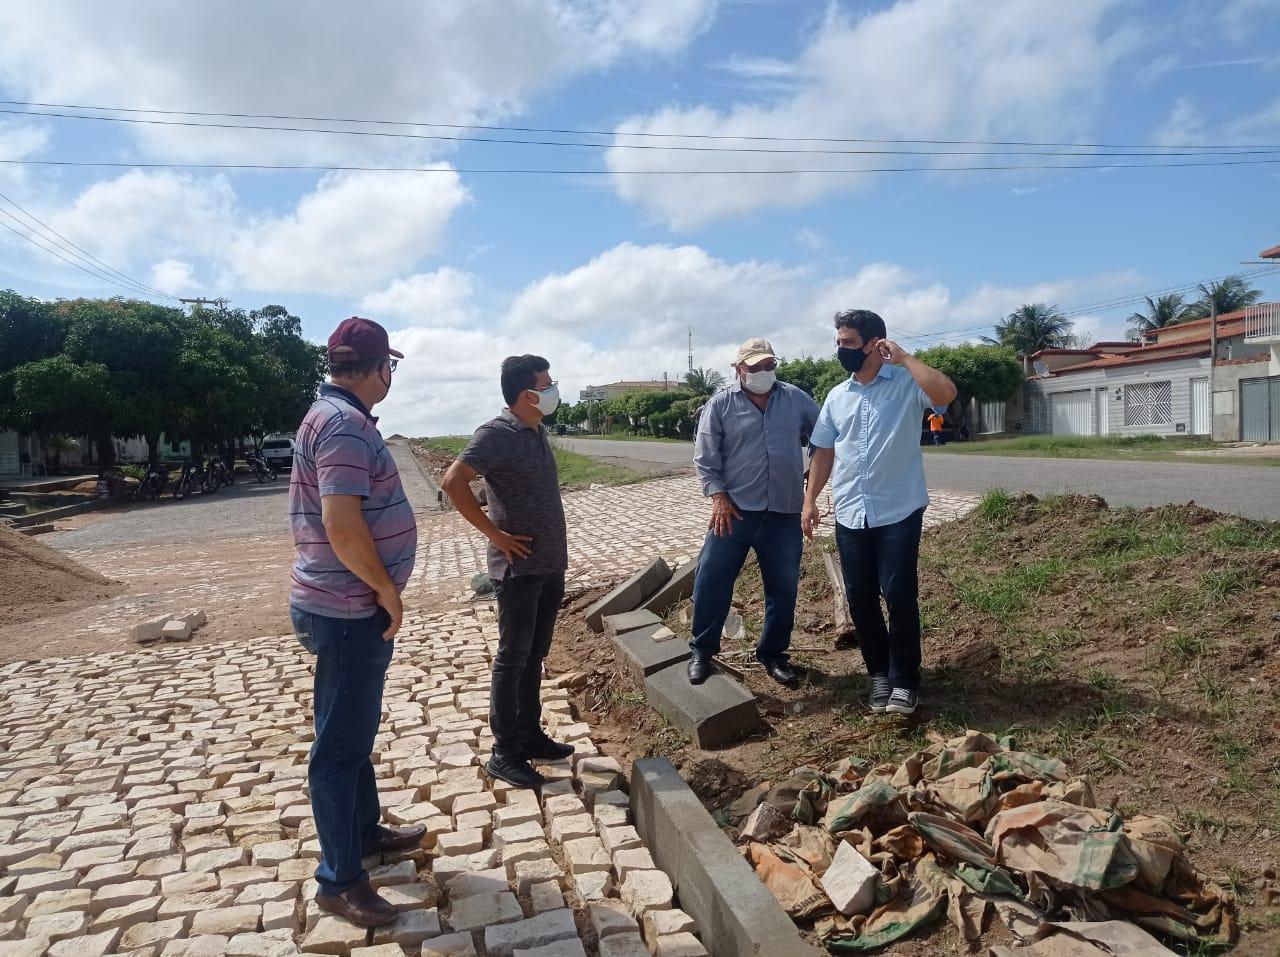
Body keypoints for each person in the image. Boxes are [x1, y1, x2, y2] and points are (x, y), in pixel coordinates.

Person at [288, 317, 421, 928]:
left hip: (346, 602)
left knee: (353, 733)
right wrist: (387, 591)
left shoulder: (335, 415)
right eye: (388, 365)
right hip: (348, 609)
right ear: (378, 369)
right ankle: (339, 882)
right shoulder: (342, 426)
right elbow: (343, 526)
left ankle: (363, 834)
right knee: (338, 750)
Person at [802, 310, 957, 716]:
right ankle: (880, 675)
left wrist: (905, 358)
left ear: (874, 344)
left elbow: (946, 394)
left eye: (848, 342)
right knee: (861, 598)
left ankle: (906, 679)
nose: (841, 350)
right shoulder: (838, 396)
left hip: (899, 509)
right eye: (838, 342)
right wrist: (810, 500)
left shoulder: (906, 384)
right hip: (851, 511)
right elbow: (824, 450)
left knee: (900, 595)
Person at [441, 355, 574, 791]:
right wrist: (496, 536)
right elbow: (453, 482)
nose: (554, 390)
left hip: (549, 565)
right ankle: (505, 753)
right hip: (518, 571)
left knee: (534, 657)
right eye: (547, 384)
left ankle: (530, 735)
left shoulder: (536, 430)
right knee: (512, 659)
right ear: (526, 395)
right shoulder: (496, 434)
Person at [688, 337, 819, 687]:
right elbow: (704, 458)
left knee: (783, 588)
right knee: (711, 581)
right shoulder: (720, 405)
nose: (764, 372)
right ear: (738, 369)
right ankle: (702, 651)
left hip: (783, 511)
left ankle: (774, 654)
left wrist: (814, 470)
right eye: (755, 367)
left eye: (769, 365)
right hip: (733, 512)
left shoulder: (794, 399)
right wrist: (717, 497)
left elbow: (824, 434)